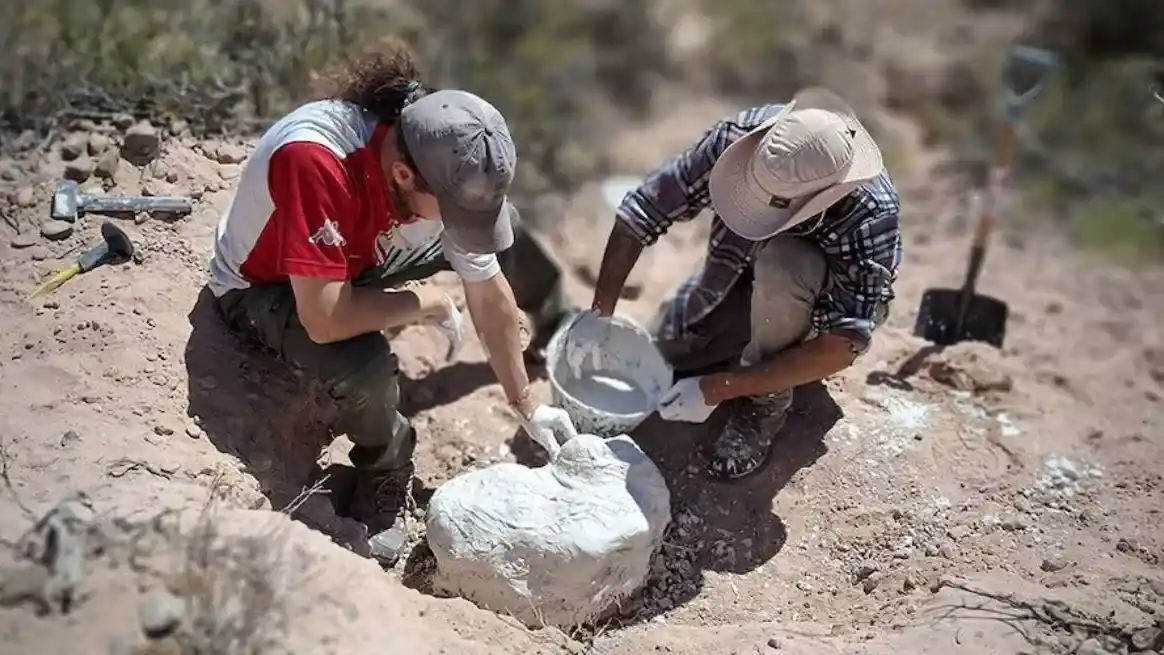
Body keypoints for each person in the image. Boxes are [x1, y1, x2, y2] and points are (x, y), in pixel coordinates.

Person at [206, 39, 577, 565]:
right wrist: (420, 302)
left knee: (505, 231)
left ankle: (558, 319)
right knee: (366, 366)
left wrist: (525, 405)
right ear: (403, 175)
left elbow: (487, 286)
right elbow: (326, 318)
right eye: (449, 210)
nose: (455, 222)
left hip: (353, 255)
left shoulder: (431, 152)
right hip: (263, 285)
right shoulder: (316, 161)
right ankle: (384, 472)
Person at [582, 87, 902, 481]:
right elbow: (641, 210)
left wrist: (723, 387)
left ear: (824, 199)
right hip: (736, 271)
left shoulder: (869, 212)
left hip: (822, 301)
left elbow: (843, 343)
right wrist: (600, 317)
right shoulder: (741, 139)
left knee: (785, 263)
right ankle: (739, 339)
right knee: (670, 353)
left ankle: (761, 406)